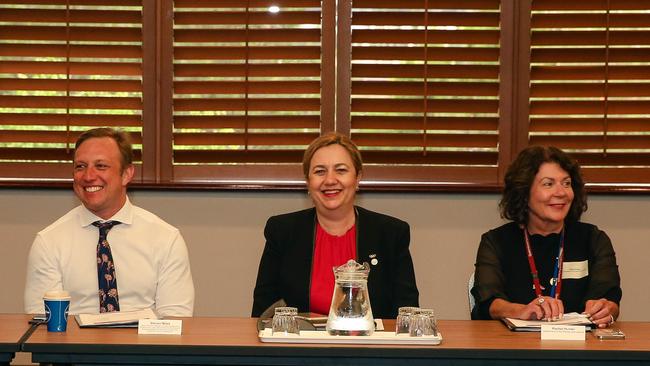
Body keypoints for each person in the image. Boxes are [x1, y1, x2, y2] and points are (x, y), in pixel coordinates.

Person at [24, 127, 194, 316]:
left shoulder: (165, 239)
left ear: (126, 174)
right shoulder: (50, 242)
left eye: (101, 166)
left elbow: (175, 320)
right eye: (80, 166)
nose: (88, 176)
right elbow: (41, 322)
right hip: (74, 345)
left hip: (145, 344)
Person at [251, 132, 419, 318]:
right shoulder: (282, 231)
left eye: (341, 170)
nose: (330, 180)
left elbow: (407, 316)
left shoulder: (391, 233)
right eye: (320, 171)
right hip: (300, 345)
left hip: (371, 346)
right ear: (308, 182)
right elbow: (263, 313)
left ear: (358, 178)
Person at [471, 146, 621, 327]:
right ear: (524, 192)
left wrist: (607, 309)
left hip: (579, 348)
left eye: (566, 183)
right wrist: (521, 311)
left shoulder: (594, 239)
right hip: (514, 347)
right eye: (548, 184)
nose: (561, 193)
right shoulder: (496, 242)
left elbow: (610, 297)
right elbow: (488, 302)